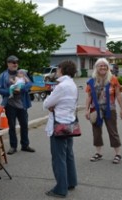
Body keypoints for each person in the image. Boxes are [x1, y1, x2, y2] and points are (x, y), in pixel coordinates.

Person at [43, 60, 78, 198]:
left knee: (59, 157)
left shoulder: (61, 86)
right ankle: (71, 181)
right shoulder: (72, 84)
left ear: (62, 70)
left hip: (59, 124)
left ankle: (61, 188)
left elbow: (47, 103)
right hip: (70, 122)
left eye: (58, 69)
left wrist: (52, 106)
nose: (57, 71)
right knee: (68, 154)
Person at [85, 58, 122, 164]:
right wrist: (87, 110)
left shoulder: (113, 79)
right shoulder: (91, 81)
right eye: (100, 65)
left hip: (110, 109)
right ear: (96, 67)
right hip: (95, 109)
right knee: (96, 131)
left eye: (104, 65)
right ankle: (98, 153)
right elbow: (89, 97)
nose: (102, 67)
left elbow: (119, 95)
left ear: (108, 67)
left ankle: (118, 154)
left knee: (113, 131)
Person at [0, 55, 34, 155]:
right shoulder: (3, 75)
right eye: (13, 62)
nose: (15, 64)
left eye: (17, 62)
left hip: (22, 104)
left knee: (24, 125)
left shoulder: (22, 73)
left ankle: (25, 145)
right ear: (8, 63)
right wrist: (10, 92)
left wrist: (21, 90)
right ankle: (13, 146)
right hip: (10, 104)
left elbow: (30, 84)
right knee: (12, 126)